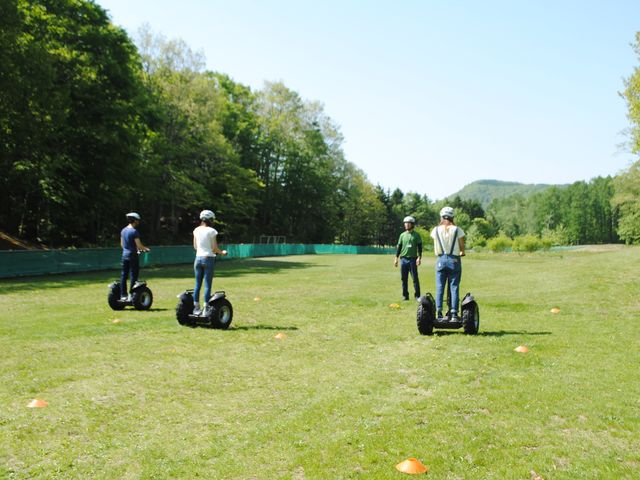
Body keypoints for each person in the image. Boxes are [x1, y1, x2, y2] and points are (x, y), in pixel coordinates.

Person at [430, 206, 465, 321]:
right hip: (454, 259)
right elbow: (461, 245)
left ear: (442, 216)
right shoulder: (457, 229)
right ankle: (454, 314)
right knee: (454, 287)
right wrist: (462, 252)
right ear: (452, 217)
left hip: (440, 259)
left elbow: (435, 242)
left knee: (440, 287)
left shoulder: (435, 230)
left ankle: (439, 313)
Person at [193, 209, 228, 315]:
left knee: (197, 284)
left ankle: (196, 307)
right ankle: (206, 307)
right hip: (208, 259)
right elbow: (214, 248)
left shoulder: (196, 230)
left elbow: (195, 246)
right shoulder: (212, 231)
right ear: (211, 220)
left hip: (198, 258)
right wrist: (222, 252)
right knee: (207, 284)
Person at [120, 212, 150, 301]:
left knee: (124, 275)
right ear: (135, 220)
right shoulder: (134, 231)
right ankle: (132, 295)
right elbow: (139, 246)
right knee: (133, 275)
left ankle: (123, 295)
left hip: (124, 255)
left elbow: (122, 245)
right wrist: (146, 249)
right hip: (133, 256)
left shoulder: (123, 230)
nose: (138, 222)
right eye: (138, 220)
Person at [394, 215, 422, 301]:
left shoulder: (416, 235)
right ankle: (405, 296)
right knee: (404, 279)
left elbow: (420, 247)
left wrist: (419, 257)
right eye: (405, 223)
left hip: (413, 259)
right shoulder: (402, 235)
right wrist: (396, 258)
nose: (406, 225)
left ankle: (417, 296)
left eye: (408, 223)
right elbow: (399, 247)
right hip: (403, 259)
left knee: (415, 278)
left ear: (412, 224)